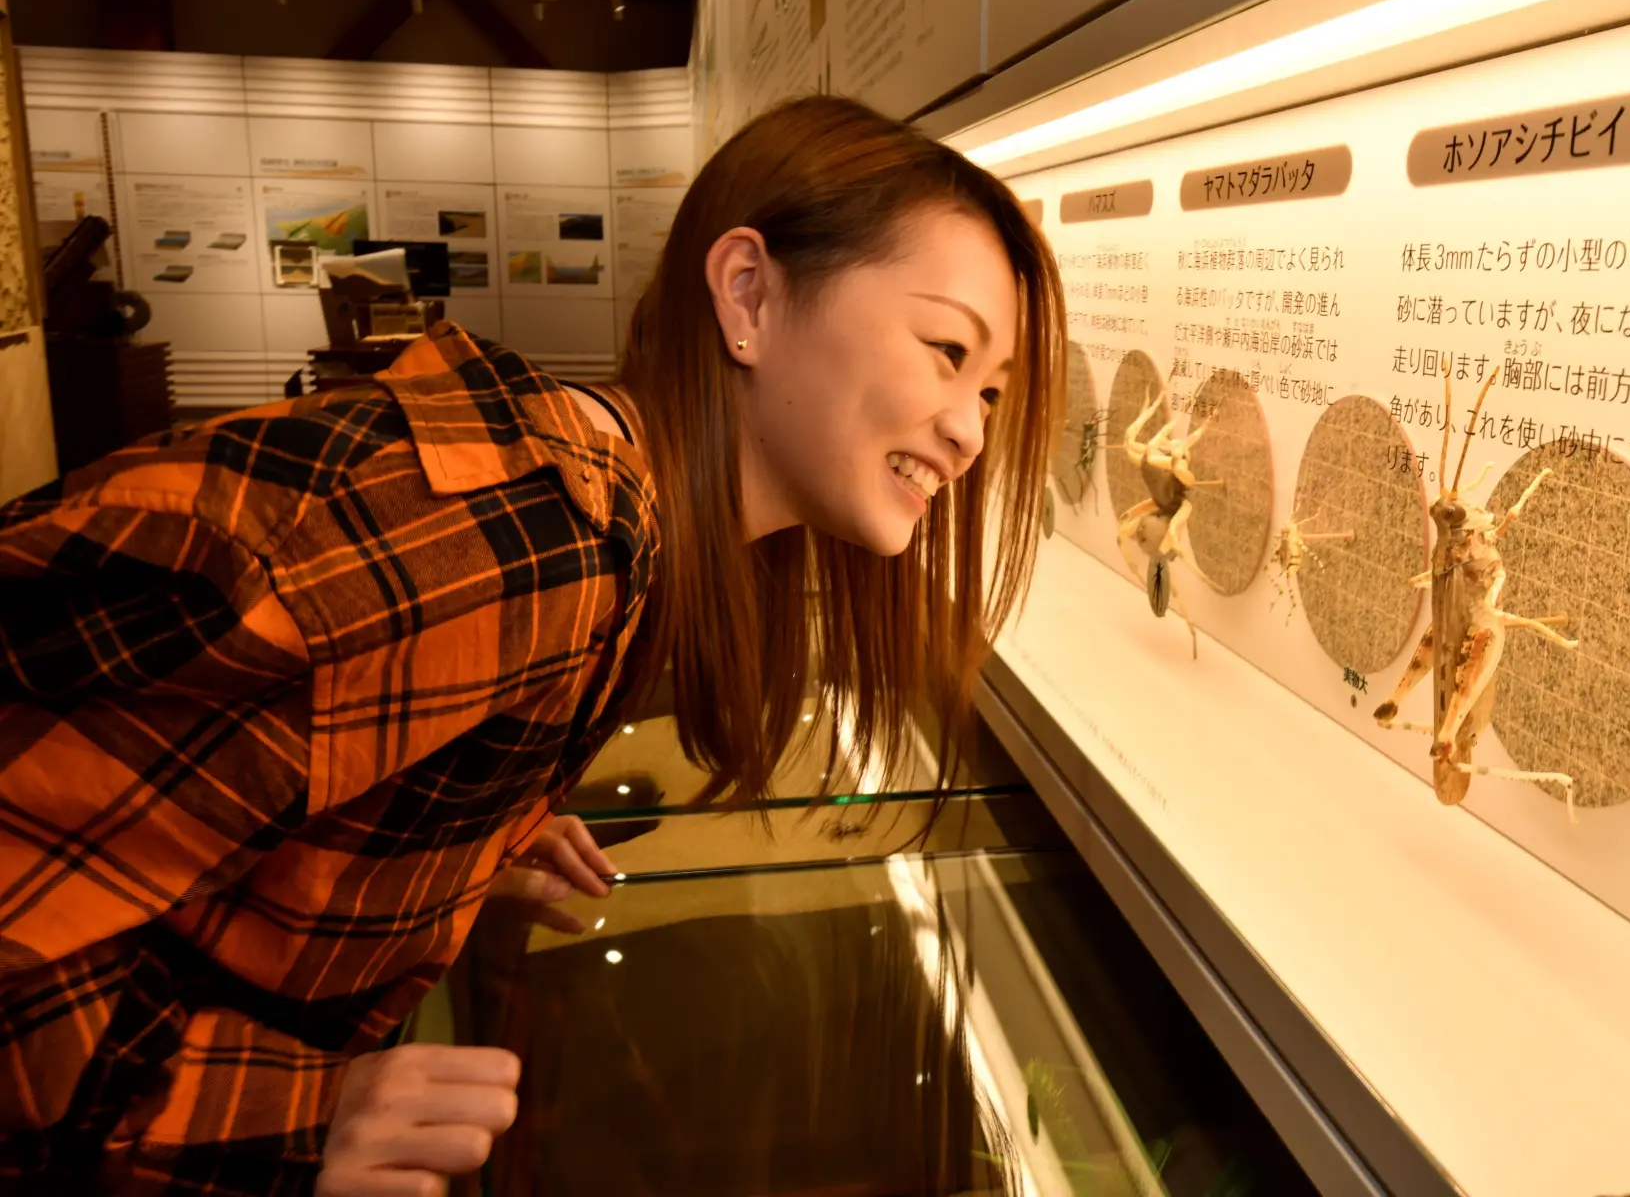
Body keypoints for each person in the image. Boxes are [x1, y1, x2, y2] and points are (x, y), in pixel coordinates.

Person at [0, 95, 1064, 1195]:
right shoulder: (525, 549)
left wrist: (466, 825)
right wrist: (298, 1116)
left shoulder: (599, 530)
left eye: (990, 389)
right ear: (748, 294)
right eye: (946, 350)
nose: (972, 430)